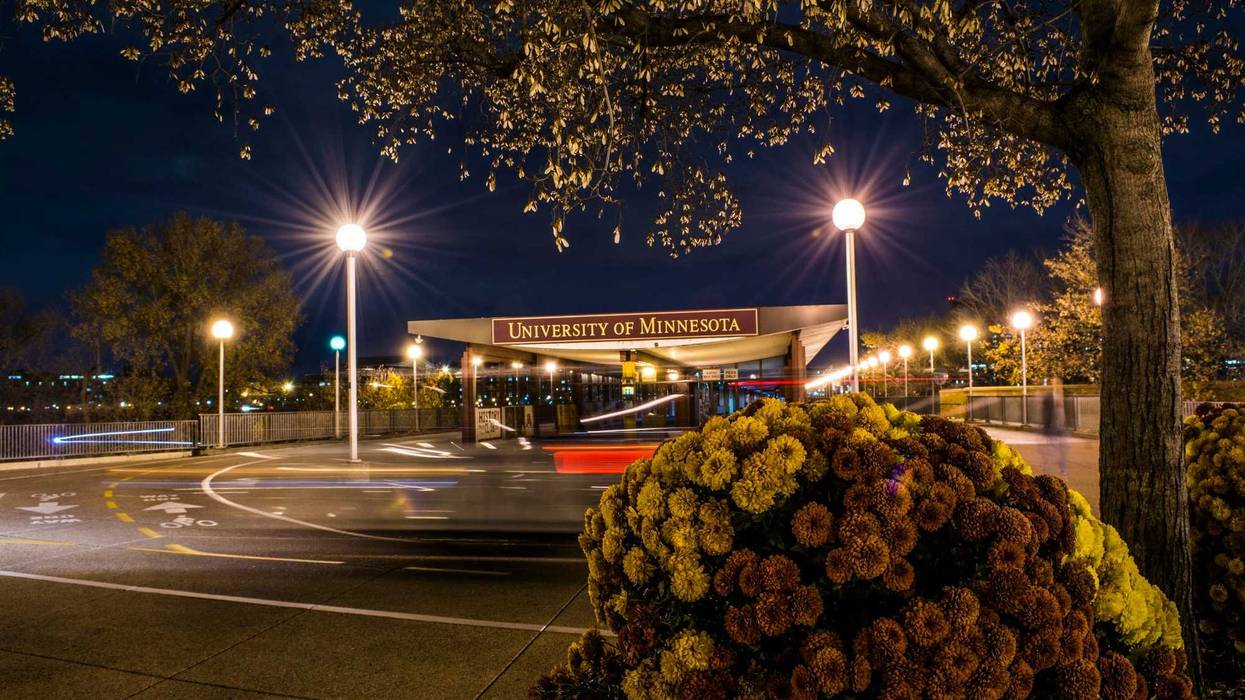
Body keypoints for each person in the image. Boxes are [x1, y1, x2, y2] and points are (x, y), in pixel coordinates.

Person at [1041, 378, 1068, 476]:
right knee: (1049, 450)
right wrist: (1046, 427)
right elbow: (1045, 413)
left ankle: (1063, 469)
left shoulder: (1063, 395)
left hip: (1062, 427)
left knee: (1063, 450)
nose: (1055, 385)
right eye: (1053, 383)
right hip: (1052, 427)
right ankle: (1046, 470)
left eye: (1056, 383)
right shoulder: (1048, 397)